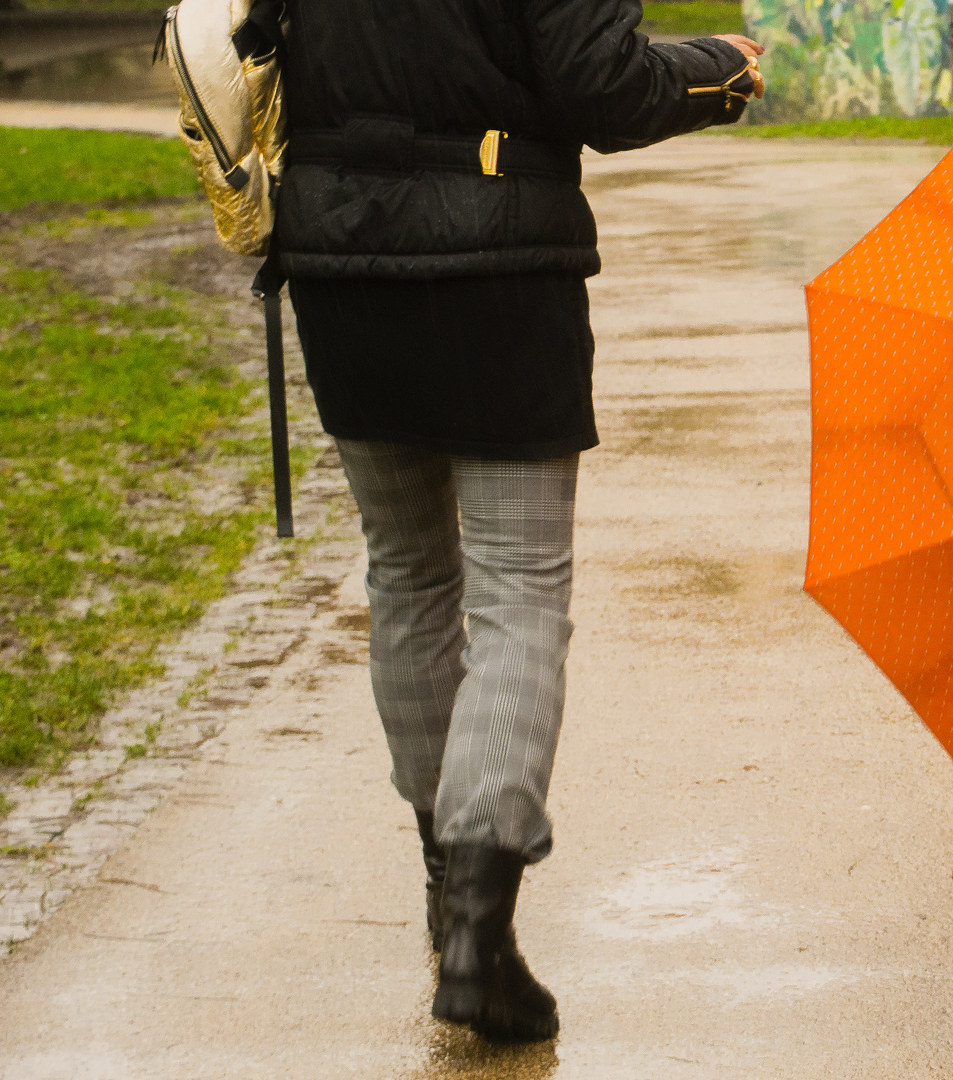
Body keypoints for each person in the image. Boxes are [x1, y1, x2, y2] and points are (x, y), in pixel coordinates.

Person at [271, 0, 764, 1043]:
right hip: (497, 275)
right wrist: (721, 72)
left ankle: (448, 893)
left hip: (336, 259)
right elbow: (604, 85)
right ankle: (476, 937)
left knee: (405, 576)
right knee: (518, 585)